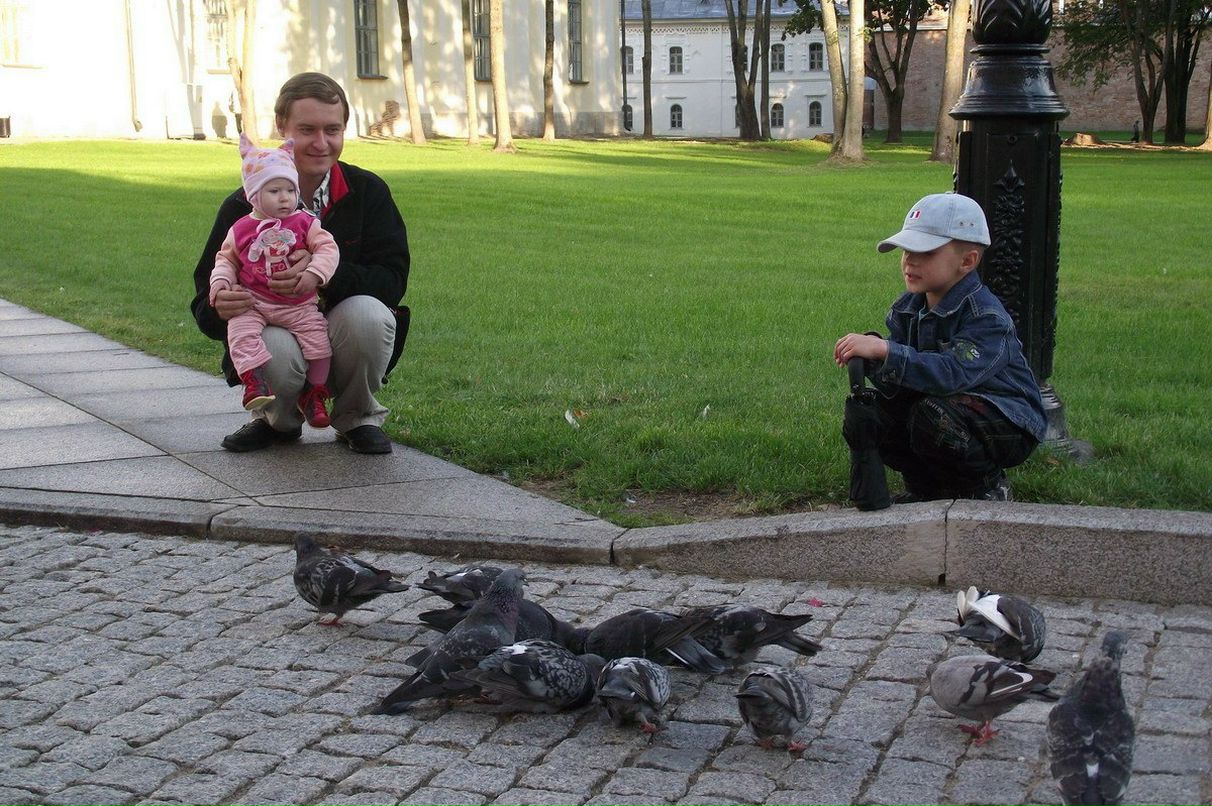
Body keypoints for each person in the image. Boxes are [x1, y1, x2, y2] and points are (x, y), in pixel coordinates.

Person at [192, 72, 410, 454]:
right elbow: (202, 299)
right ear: (282, 127)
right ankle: (277, 420)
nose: (321, 143)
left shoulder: (368, 192)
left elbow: (392, 281)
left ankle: (357, 417)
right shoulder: (242, 208)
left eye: (333, 129)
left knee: (369, 315)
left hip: (342, 328)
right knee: (270, 341)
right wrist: (219, 303)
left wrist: (322, 273)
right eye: (307, 129)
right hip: (274, 323)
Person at [833, 192, 1046, 501]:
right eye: (906, 250)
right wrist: (875, 363)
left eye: (926, 252)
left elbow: (950, 373)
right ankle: (926, 490)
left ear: (968, 261)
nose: (910, 260)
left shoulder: (986, 317)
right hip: (946, 406)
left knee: (930, 415)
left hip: (1006, 422)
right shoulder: (907, 308)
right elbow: (907, 380)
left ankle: (984, 487)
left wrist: (886, 352)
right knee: (878, 415)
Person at [210, 134, 337, 429]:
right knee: (241, 333)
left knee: (319, 342)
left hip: (298, 304)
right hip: (254, 302)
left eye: (290, 190)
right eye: (274, 190)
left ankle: (314, 393)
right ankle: (254, 382)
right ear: (254, 195)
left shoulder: (305, 222)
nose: (285, 198)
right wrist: (219, 287)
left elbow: (328, 249)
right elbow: (225, 260)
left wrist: (314, 274)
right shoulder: (241, 228)